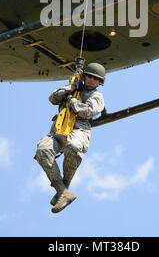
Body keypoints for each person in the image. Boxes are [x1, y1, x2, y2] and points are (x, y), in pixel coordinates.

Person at [34, 63, 106, 213]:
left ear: (100, 82)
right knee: (43, 150)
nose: (92, 80)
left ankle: (63, 189)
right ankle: (62, 191)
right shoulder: (72, 88)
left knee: (74, 147)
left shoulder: (96, 96)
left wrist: (72, 100)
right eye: (89, 76)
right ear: (85, 76)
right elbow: (52, 98)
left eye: (95, 78)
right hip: (59, 127)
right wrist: (70, 89)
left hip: (79, 128)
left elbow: (87, 112)